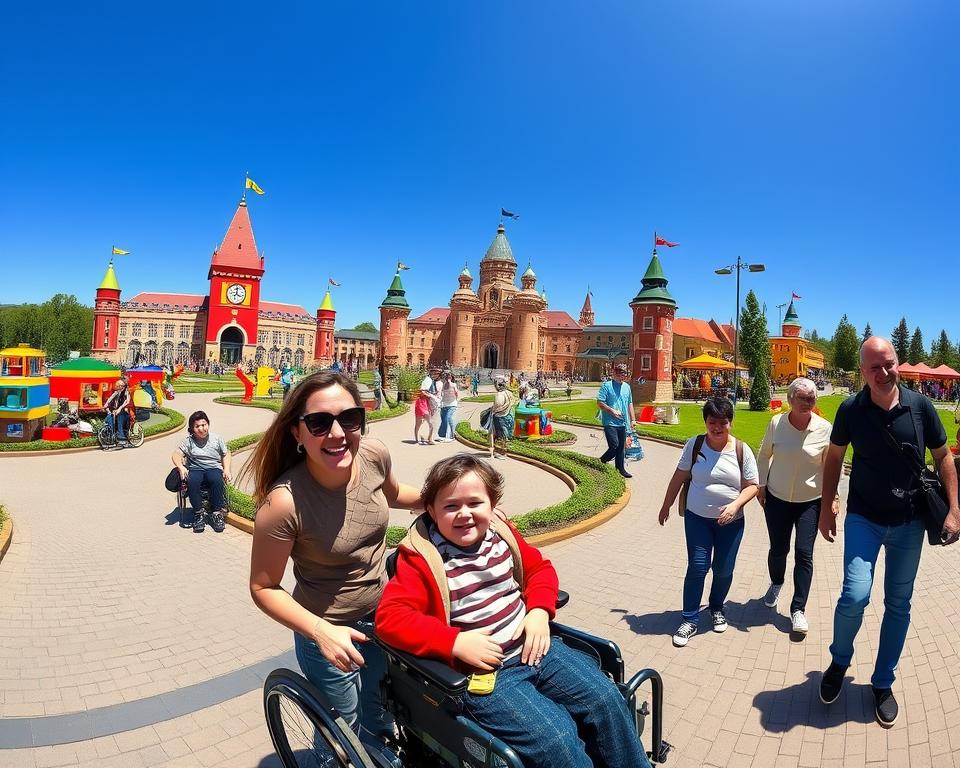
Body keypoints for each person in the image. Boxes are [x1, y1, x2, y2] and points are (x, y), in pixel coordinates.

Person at [376, 455, 652, 768]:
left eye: (475, 503)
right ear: (431, 510)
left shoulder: (501, 535)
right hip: (487, 674)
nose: (464, 514)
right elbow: (390, 619)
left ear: (492, 506)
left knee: (606, 698)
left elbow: (540, 570)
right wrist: (454, 642)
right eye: (451, 506)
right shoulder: (421, 557)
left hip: (536, 648)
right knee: (556, 738)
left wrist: (538, 612)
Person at [246, 371, 423, 755]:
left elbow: (395, 494)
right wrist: (322, 632)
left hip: (384, 618)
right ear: (297, 432)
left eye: (349, 419)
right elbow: (263, 587)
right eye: (319, 422)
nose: (338, 433)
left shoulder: (373, 455)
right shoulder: (283, 504)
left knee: (379, 710)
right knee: (341, 732)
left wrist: (451, 505)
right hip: (327, 630)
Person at [817, 337, 960, 727]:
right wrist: (826, 507)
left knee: (899, 604)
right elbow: (834, 458)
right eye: (874, 368)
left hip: (909, 522)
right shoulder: (850, 410)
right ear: (862, 372)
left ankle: (883, 683)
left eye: (889, 364)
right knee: (854, 594)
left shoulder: (920, 406)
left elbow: (944, 458)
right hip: (863, 516)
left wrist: (955, 511)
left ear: (898, 362)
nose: (884, 373)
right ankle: (839, 661)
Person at [658, 397, 759, 647]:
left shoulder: (741, 450)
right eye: (712, 422)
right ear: (705, 422)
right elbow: (680, 475)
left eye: (722, 423)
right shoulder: (695, 444)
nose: (717, 428)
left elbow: (753, 486)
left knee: (724, 569)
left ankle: (716, 607)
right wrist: (666, 504)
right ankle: (690, 618)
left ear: (730, 423)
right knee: (698, 567)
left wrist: (735, 505)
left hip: (731, 522)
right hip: (697, 519)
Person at [756, 377, 836, 636]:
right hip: (777, 499)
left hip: (809, 503)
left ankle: (798, 609)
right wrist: (761, 485)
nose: (807, 403)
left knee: (804, 553)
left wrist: (832, 498)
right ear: (790, 399)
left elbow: (830, 468)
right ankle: (776, 583)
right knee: (778, 549)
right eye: (802, 398)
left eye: (811, 398)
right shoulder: (776, 423)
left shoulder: (825, 428)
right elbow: (764, 454)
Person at [171, 410, 232, 533]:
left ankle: (216, 513)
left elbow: (226, 454)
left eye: (204, 425)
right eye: (197, 426)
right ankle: (199, 513)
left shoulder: (217, 438)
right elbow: (176, 455)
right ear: (192, 429)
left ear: (208, 424)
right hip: (195, 468)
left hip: (213, 467)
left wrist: (226, 469)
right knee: (193, 481)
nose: (201, 428)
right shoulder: (188, 441)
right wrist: (181, 467)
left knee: (216, 479)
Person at [596, 363, 636, 479]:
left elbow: (630, 404)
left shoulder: (627, 387)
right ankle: (601, 461)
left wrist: (633, 420)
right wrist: (612, 411)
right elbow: (600, 403)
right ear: (613, 373)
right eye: (619, 374)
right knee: (614, 446)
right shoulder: (606, 386)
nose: (621, 376)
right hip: (610, 422)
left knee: (620, 448)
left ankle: (620, 468)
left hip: (623, 422)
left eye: (623, 374)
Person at [486, 375, 515, 460]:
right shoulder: (509, 394)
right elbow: (513, 402)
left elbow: (497, 405)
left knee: (494, 434)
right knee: (505, 435)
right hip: (508, 417)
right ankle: (504, 452)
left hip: (499, 417)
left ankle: (493, 453)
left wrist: (493, 411)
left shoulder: (499, 395)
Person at [414, 365, 441, 445]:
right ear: (431, 373)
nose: (436, 375)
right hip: (422, 403)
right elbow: (422, 391)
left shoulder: (432, 381)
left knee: (430, 422)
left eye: (437, 374)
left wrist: (431, 395)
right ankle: (417, 439)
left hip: (427, 403)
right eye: (435, 373)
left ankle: (429, 438)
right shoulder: (428, 380)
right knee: (419, 422)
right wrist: (430, 395)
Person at [436, 369, 459, 442]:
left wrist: (455, 401)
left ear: (451, 377)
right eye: (446, 377)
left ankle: (452, 436)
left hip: (452, 404)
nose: (448, 378)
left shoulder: (454, 385)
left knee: (449, 418)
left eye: (449, 376)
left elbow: (456, 393)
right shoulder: (442, 385)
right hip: (444, 405)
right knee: (444, 420)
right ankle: (441, 436)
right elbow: (439, 393)